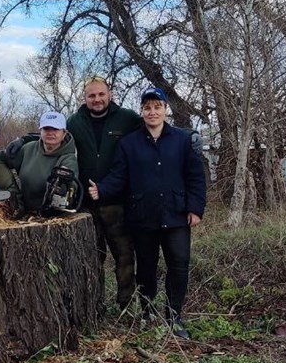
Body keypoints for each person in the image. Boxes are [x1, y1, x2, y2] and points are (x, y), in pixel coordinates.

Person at [88, 87, 206, 339]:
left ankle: (174, 315)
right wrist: (102, 189)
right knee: (146, 268)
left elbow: (196, 177)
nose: (152, 112)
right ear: (142, 112)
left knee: (179, 265)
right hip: (142, 216)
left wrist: (195, 208)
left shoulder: (182, 141)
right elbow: (119, 176)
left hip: (176, 216)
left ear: (165, 110)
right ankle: (147, 311)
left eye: (157, 107)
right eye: (147, 108)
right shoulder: (129, 143)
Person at [66, 77, 143, 311]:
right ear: (85, 98)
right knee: (92, 258)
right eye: (91, 96)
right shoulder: (74, 122)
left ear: (109, 94)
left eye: (101, 94)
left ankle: (126, 306)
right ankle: (94, 306)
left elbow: (153, 129)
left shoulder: (127, 118)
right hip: (87, 205)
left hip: (117, 202)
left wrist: (187, 136)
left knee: (124, 256)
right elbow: (53, 139)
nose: (97, 99)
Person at [12, 110, 80, 213]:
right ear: (41, 131)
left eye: (55, 129)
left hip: (52, 216)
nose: (50, 133)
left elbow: (71, 187)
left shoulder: (68, 158)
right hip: (22, 211)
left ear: (64, 133)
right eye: (46, 128)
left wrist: (63, 186)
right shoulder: (28, 148)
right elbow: (4, 161)